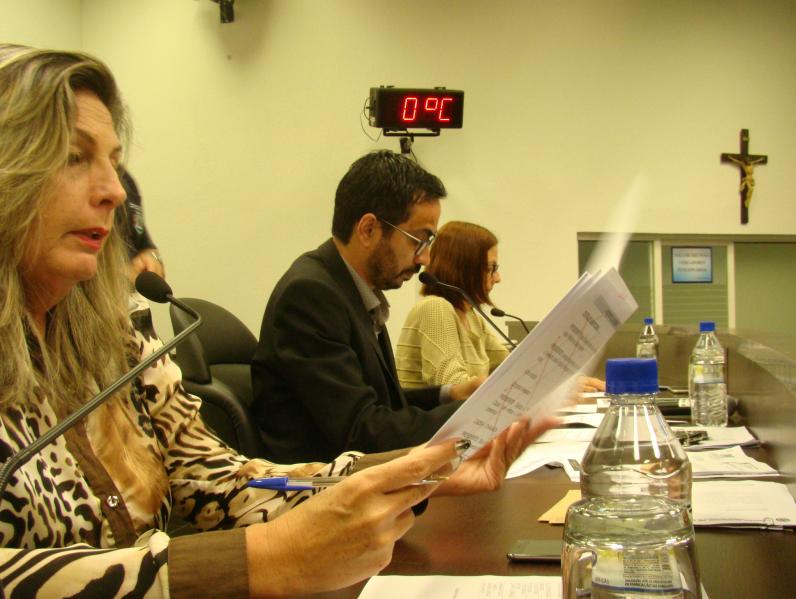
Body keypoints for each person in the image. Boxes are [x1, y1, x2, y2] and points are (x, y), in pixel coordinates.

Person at [0, 44, 554, 598]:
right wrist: (259, 559)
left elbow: (220, 483)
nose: (115, 191)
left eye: (115, 163)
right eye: (74, 157)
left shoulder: (122, 342)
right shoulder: (314, 292)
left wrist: (419, 468)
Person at [251, 151, 484, 463]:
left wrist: (451, 394)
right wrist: (475, 412)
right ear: (368, 229)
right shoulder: (310, 296)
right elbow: (364, 432)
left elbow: (381, 405)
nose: (425, 258)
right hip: (320, 484)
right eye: (419, 240)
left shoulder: (347, 289)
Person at [396, 221, 509, 388]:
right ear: (465, 269)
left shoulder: (472, 317)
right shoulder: (434, 307)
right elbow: (451, 383)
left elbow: (511, 364)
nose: (498, 278)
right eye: (491, 268)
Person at [117, 169, 165, 280]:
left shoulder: (125, 178)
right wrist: (118, 274)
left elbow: (144, 244)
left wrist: (153, 259)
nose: (119, 193)